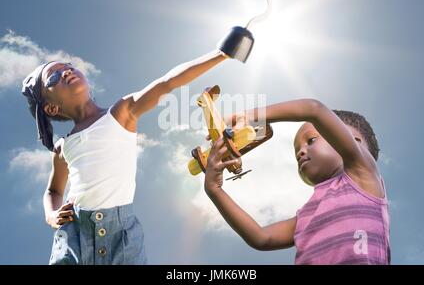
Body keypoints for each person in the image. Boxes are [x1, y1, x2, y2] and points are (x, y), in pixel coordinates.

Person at [22, 45, 233, 264]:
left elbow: (167, 82)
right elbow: (53, 190)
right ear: (51, 109)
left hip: (121, 236)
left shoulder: (122, 112)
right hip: (74, 235)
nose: (66, 71)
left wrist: (222, 54)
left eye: (69, 66)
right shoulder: (62, 147)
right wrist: (51, 215)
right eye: (54, 76)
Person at [204, 99, 390, 264]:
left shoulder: (363, 174)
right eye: (296, 151)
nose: (301, 152)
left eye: (311, 140)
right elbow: (262, 238)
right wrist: (214, 189)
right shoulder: (307, 214)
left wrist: (251, 116)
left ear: (356, 142)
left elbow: (314, 109)